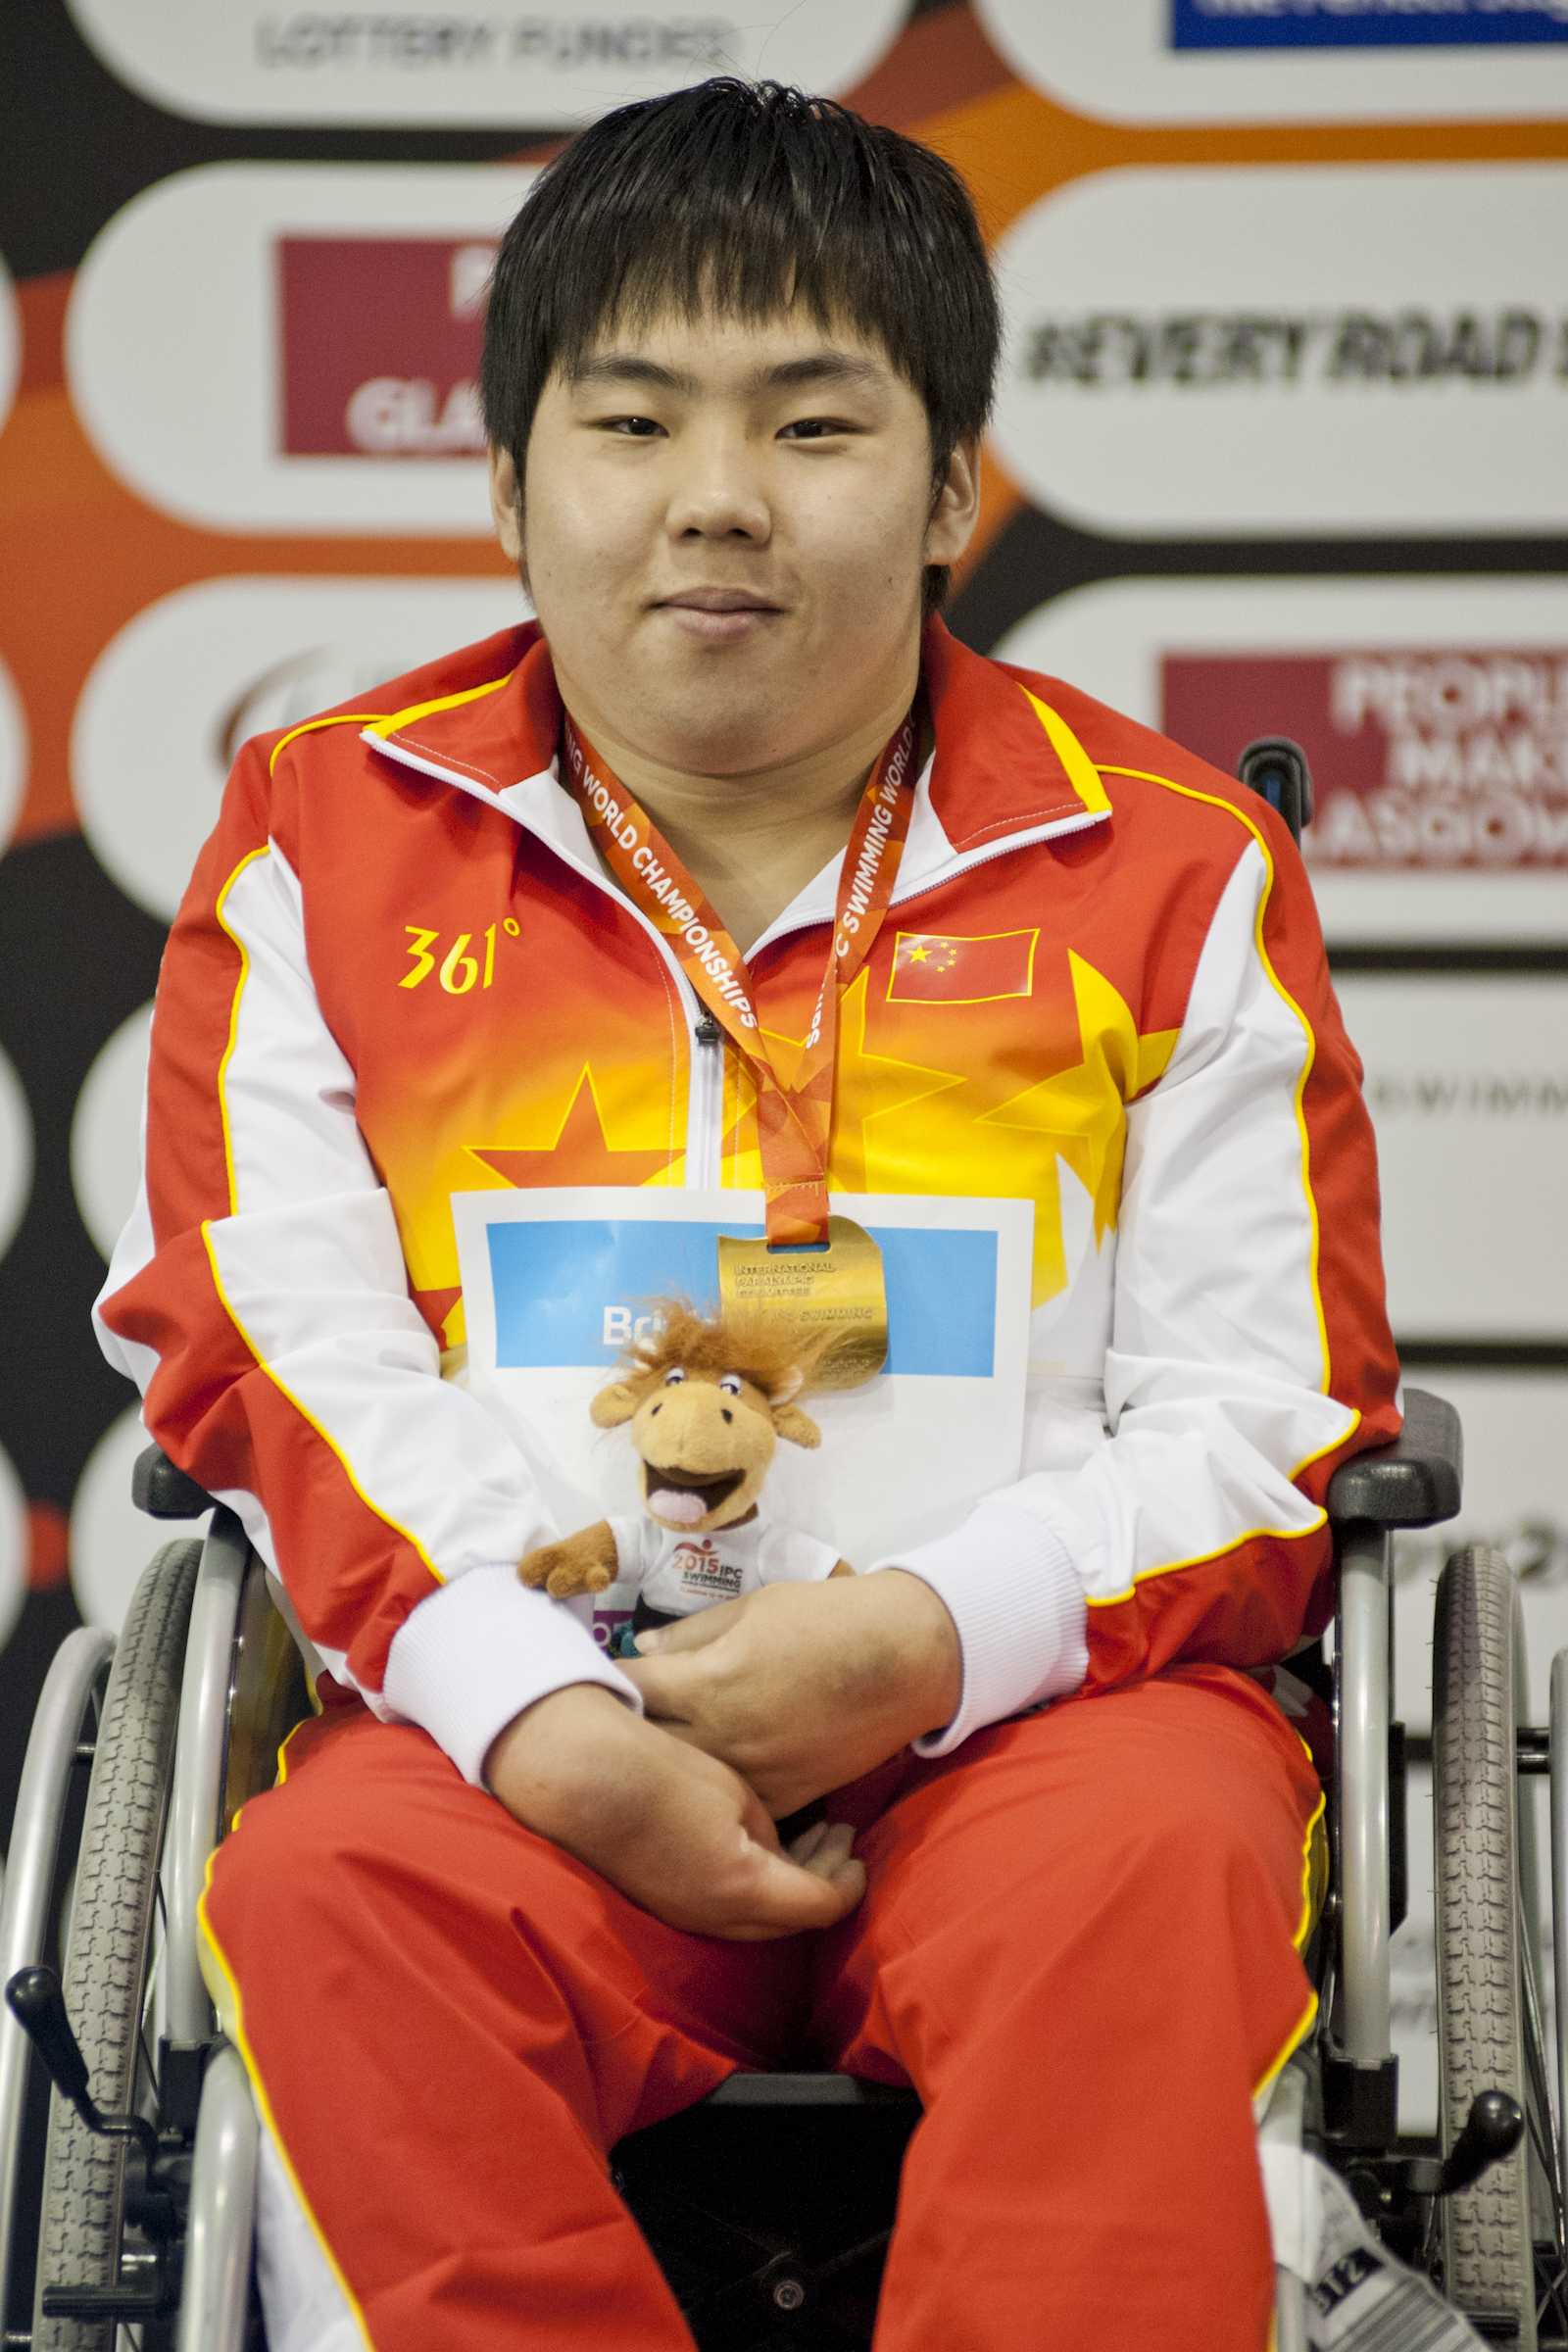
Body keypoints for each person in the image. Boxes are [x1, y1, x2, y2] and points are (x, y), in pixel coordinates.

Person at [95, 79, 1399, 2352]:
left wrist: (921, 1639)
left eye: (811, 425)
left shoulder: (1171, 862)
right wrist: (533, 1710)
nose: (715, 502)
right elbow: (261, 1331)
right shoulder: (331, 834)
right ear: (509, 487)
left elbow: (1273, 1411)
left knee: (1164, 1860)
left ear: (947, 499)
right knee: (332, 1889)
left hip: (1033, 1720)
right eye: (630, 423)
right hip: (533, 1724)